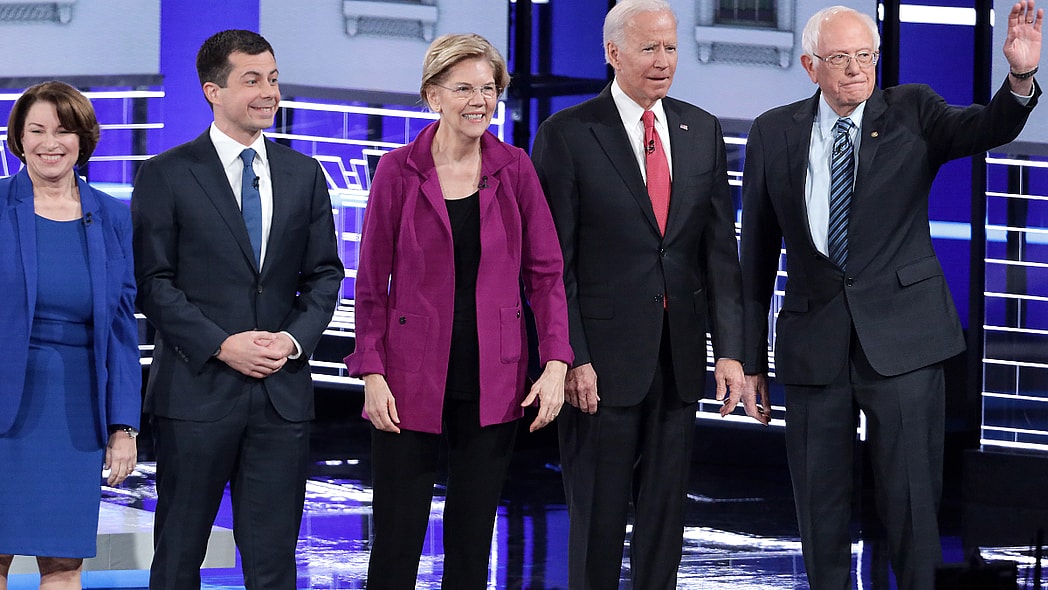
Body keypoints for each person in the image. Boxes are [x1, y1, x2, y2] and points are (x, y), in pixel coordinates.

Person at [740, 3, 1041, 589]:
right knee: (819, 513)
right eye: (841, 58)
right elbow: (755, 256)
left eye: (865, 56)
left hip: (904, 344)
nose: (857, 69)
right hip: (812, 347)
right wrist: (749, 360)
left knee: (911, 506)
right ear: (810, 66)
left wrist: (1021, 79)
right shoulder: (773, 131)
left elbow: (987, 126)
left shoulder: (915, 111)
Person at [531, 1, 766, 588]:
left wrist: (731, 352)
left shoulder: (701, 128)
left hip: (677, 358)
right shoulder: (567, 134)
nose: (664, 62)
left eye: (670, 48)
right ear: (613, 53)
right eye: (649, 49)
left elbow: (718, 254)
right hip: (600, 365)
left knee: (666, 521)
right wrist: (571, 357)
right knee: (599, 521)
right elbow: (550, 265)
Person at [345, 33, 573, 589]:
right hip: (407, 377)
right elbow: (372, 285)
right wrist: (370, 373)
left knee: (472, 544)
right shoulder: (398, 171)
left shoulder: (514, 168)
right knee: (396, 542)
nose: (480, 100)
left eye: (489, 89)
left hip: (493, 374)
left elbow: (545, 276)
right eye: (464, 88)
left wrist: (556, 364)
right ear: (433, 96)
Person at [132, 30, 343, 589]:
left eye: (272, 79)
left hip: (281, 395)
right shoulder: (166, 174)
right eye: (252, 80)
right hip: (197, 394)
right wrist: (221, 344)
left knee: (273, 563)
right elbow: (153, 282)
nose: (268, 92)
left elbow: (325, 275)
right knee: (179, 556)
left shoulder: (304, 174)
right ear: (212, 91)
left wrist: (292, 340)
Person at [0, 81, 141, 590]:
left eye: (63, 131)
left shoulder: (111, 216)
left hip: (75, 411)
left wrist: (124, 427)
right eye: (35, 130)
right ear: (18, 139)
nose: (49, 142)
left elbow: (123, 328)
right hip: (3, 402)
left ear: (83, 139)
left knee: (63, 562)